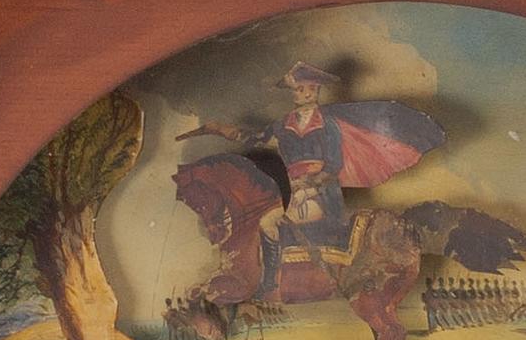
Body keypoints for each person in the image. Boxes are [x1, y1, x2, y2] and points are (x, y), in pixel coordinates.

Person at [183, 64, 445, 298]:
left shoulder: (327, 122)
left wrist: (311, 183)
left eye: (310, 89)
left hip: (319, 189)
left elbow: (334, 163)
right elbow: (256, 139)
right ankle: (269, 282)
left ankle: (312, 275)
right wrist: (219, 129)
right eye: (300, 89)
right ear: (293, 93)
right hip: (290, 188)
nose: (305, 93)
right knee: (265, 223)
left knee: (287, 219)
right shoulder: (283, 123)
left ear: (317, 91)